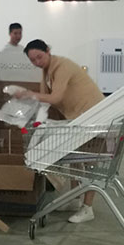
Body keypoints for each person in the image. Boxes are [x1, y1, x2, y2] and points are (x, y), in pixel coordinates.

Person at [16, 39, 105, 223]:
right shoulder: (46, 71)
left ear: (48, 51)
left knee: (89, 161)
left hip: (93, 115)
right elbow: (45, 100)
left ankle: (87, 208)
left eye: (39, 57)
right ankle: (75, 198)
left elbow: (55, 97)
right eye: (33, 60)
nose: (37, 62)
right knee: (75, 158)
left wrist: (29, 94)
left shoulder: (62, 66)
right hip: (77, 118)